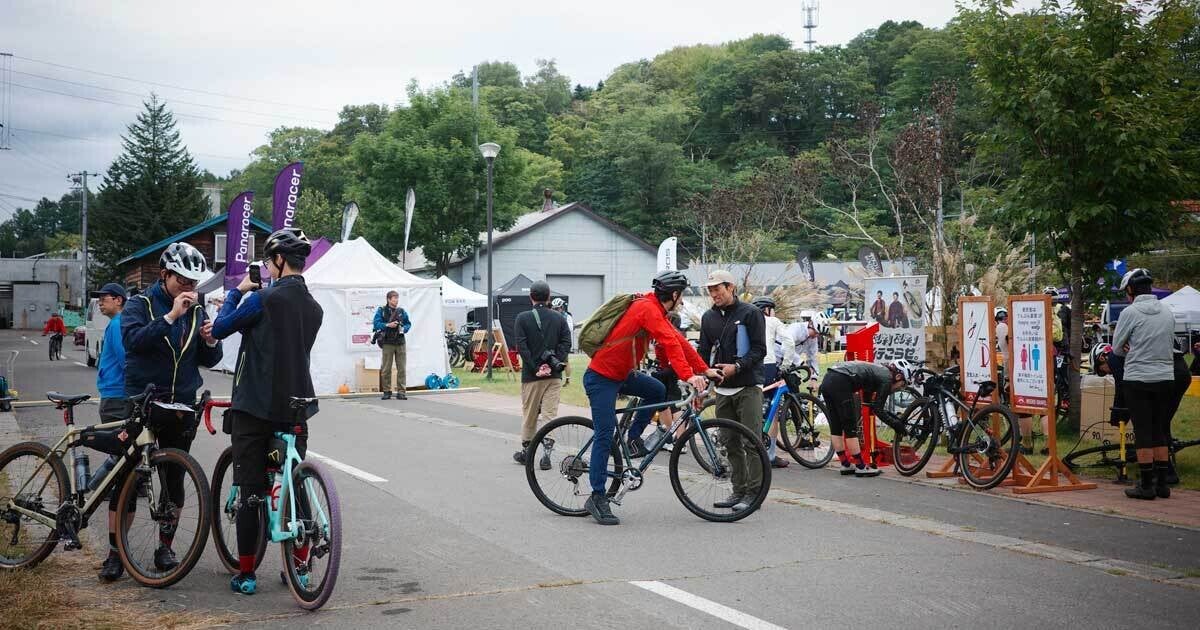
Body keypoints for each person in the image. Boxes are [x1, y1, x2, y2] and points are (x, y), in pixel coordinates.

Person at [211, 228, 324, 595]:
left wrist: (237, 291)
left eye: (269, 261)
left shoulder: (263, 299)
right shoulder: (315, 308)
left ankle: (246, 574)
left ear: (277, 261)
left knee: (251, 490)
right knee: (295, 482)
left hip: (255, 406)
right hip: (295, 407)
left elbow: (221, 328)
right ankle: (301, 566)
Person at [582, 270, 713, 525]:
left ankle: (633, 440)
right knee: (604, 434)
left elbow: (678, 341)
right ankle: (597, 496)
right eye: (682, 295)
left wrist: (704, 369)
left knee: (655, 390)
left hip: (622, 374)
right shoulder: (647, 308)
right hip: (601, 377)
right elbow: (669, 342)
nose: (682, 300)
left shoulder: (655, 309)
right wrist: (688, 376)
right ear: (674, 295)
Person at [122, 242, 221, 571]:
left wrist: (211, 340)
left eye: (194, 283)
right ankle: (114, 551)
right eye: (183, 281)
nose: (189, 289)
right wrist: (170, 315)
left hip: (180, 404)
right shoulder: (141, 304)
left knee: (174, 479)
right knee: (128, 479)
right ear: (165, 275)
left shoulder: (198, 310)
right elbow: (133, 342)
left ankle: (165, 547)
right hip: (143, 401)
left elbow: (209, 359)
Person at [698, 271, 767, 511]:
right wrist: (701, 375)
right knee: (730, 442)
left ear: (731, 287)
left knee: (751, 441)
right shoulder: (708, 318)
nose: (714, 294)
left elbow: (760, 350)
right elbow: (703, 352)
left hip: (748, 386)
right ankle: (738, 491)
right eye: (710, 290)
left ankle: (754, 494)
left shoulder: (751, 313)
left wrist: (736, 367)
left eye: (718, 288)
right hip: (722, 389)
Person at [1111, 268, 1176, 500]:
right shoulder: (1168, 312)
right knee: (1159, 429)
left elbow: (1117, 348)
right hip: (1166, 378)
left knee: (1143, 432)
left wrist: (1131, 346)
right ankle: (1162, 484)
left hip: (1138, 378)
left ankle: (1146, 486)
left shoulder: (1131, 312)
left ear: (1131, 290)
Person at [819, 359, 913, 477]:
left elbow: (872, 404)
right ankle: (860, 466)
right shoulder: (887, 379)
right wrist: (896, 425)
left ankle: (845, 464)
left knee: (836, 426)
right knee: (850, 427)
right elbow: (878, 410)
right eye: (903, 384)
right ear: (898, 376)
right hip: (841, 381)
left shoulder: (879, 371)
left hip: (828, 379)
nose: (900, 388)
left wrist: (892, 418)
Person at [513, 281, 571, 466]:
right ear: (549, 298)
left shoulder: (522, 318)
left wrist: (536, 366)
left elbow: (522, 346)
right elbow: (566, 343)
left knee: (530, 414)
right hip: (554, 376)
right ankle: (547, 453)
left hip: (532, 376)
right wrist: (554, 362)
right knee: (549, 415)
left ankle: (527, 452)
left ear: (531, 297)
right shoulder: (560, 318)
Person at [94, 283, 129, 582]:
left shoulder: (118, 325)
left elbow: (124, 361)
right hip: (113, 393)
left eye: (103, 299)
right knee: (115, 455)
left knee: (116, 459)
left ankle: (102, 486)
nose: (100, 304)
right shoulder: (114, 323)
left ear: (118, 300)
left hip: (117, 397)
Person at [752, 296, 796, 468]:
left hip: (751, 366)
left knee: (754, 406)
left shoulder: (749, 320)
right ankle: (769, 456)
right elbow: (789, 342)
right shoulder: (772, 321)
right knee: (773, 410)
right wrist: (785, 364)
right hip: (768, 365)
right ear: (767, 309)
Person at [373, 291, 412, 400]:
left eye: (397, 298)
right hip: (387, 342)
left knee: (402, 368)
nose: (396, 300)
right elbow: (376, 324)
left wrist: (404, 328)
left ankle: (401, 392)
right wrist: (388, 325)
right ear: (388, 299)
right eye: (394, 298)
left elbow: (408, 323)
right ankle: (386, 391)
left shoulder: (401, 311)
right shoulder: (381, 310)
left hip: (400, 342)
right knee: (386, 368)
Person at [551, 297, 574, 384]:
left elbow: (570, 329)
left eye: (557, 308)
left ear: (561, 308)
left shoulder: (567, 317)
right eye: (554, 309)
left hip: (563, 342)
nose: (556, 310)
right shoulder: (552, 316)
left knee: (565, 361)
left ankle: (567, 379)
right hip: (554, 341)